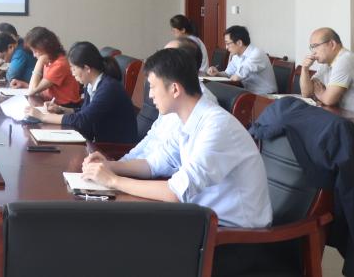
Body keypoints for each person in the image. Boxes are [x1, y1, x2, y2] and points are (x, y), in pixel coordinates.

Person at [82, 48, 272, 233]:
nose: (150, 95)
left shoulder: (216, 126)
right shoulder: (185, 120)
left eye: (153, 87)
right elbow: (154, 164)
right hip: (201, 219)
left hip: (235, 233)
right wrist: (110, 166)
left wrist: (113, 181)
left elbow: (175, 192)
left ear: (174, 89)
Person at [24, 41, 137, 144]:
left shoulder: (108, 88)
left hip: (114, 148)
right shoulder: (91, 84)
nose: (72, 73)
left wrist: (42, 117)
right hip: (96, 141)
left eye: (73, 68)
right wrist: (61, 109)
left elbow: (83, 120)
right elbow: (85, 111)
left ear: (87, 68)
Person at [122, 42, 217, 162]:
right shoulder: (169, 100)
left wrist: (117, 171)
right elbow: (152, 137)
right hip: (144, 165)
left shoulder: (200, 107)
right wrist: (122, 162)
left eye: (166, 56)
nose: (150, 95)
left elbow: (169, 162)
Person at [18, 26, 82, 107]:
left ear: (45, 47)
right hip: (50, 102)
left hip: (64, 106)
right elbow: (44, 88)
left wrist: (39, 62)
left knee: (30, 103)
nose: (34, 55)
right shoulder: (51, 60)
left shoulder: (60, 64)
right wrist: (25, 85)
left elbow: (32, 91)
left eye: (35, 51)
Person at [207, 25, 277, 95]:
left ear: (239, 43)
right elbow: (228, 74)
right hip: (250, 94)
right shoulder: (236, 56)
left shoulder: (257, 53)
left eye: (228, 44)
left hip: (266, 96)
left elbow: (239, 75)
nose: (226, 47)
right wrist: (217, 73)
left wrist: (232, 77)